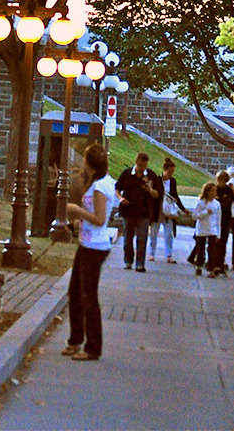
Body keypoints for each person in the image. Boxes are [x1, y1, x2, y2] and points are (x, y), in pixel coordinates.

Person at [62, 143, 115, 361]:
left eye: (84, 159)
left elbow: (100, 220)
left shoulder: (101, 188)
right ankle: (75, 340)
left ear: (90, 164)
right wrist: (79, 222)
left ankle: (93, 347)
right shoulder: (102, 182)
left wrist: (78, 211)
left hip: (95, 247)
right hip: (87, 242)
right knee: (75, 292)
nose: (82, 163)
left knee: (88, 296)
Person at [115, 152, 159, 272]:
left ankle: (140, 264)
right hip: (127, 210)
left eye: (144, 166)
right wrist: (120, 198)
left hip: (143, 212)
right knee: (127, 239)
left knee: (142, 239)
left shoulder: (150, 175)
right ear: (136, 162)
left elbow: (157, 194)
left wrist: (149, 189)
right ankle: (128, 261)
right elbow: (117, 188)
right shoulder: (127, 173)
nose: (141, 169)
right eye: (140, 166)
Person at [148, 157, 187, 263]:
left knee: (168, 233)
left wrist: (182, 208)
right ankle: (151, 253)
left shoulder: (173, 181)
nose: (171, 174)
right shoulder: (157, 179)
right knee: (153, 233)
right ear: (165, 170)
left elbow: (175, 196)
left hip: (168, 211)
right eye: (170, 171)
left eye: (172, 172)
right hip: (158, 210)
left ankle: (169, 255)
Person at [189, 181, 221, 276]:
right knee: (201, 249)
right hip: (202, 229)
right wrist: (205, 212)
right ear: (207, 192)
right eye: (212, 191)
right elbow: (194, 216)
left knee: (212, 250)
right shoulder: (201, 203)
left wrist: (218, 233)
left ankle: (211, 268)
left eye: (215, 191)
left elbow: (218, 218)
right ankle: (199, 265)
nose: (214, 193)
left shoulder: (217, 204)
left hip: (212, 229)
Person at [214, 169, 234, 275]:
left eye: (223, 180)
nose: (220, 182)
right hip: (214, 218)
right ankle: (214, 262)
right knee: (214, 241)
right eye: (219, 180)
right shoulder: (214, 189)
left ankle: (220, 263)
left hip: (225, 218)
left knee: (223, 241)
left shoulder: (229, 190)